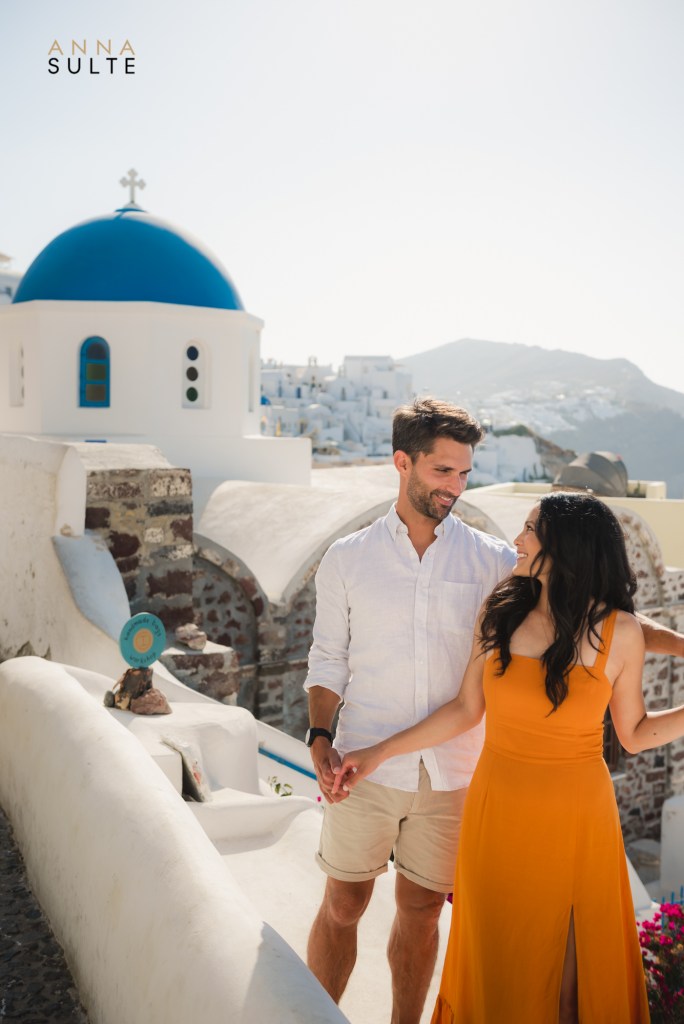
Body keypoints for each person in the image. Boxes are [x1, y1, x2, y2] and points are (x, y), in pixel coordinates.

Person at [304, 397, 684, 1024]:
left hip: (472, 780)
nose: (457, 486)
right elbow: (332, 661)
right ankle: (307, 1013)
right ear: (404, 463)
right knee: (345, 904)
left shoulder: (491, 560)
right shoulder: (352, 558)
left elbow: (601, 614)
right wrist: (328, 736)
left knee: (432, 915)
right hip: (398, 767)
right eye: (443, 472)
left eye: (464, 472)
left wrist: (675, 642)